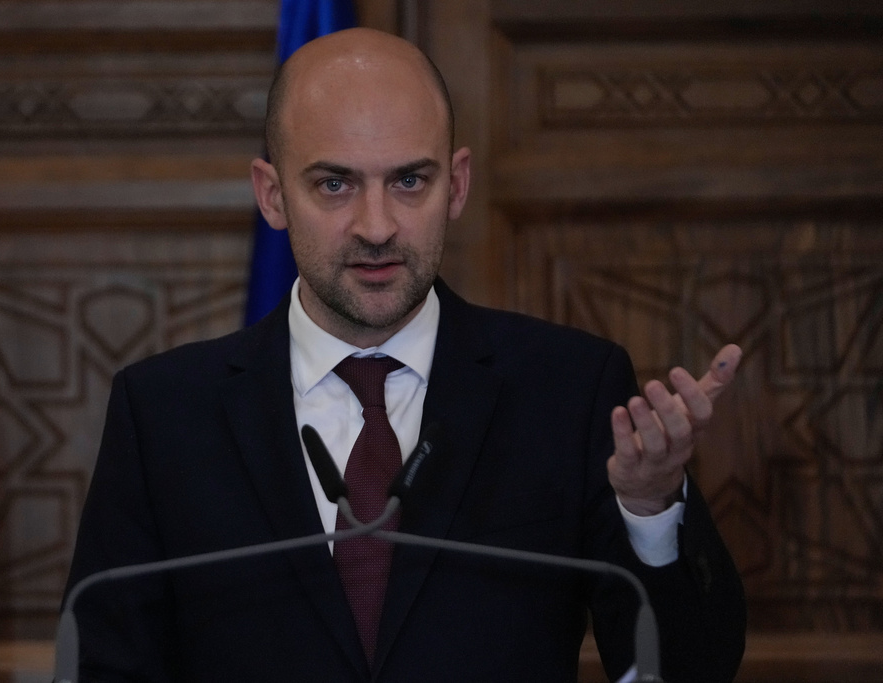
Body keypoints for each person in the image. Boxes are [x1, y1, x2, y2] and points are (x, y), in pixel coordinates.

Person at [63, 28, 745, 682]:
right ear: (273, 196)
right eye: (335, 184)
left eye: (409, 181)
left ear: (458, 183)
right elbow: (107, 666)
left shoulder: (570, 389)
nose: (378, 225)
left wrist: (652, 511)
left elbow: (690, 668)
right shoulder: (163, 414)